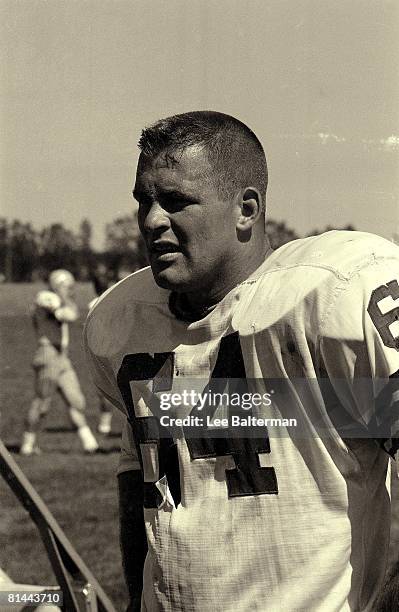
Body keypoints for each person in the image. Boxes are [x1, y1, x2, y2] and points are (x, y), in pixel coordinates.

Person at [84, 111, 399, 611]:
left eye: (176, 201)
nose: (150, 220)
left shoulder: (333, 295)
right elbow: (137, 468)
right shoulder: (123, 320)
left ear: (246, 210)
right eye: (143, 200)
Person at [21, 269, 99, 455]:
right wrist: (63, 296)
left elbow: (72, 313)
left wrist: (66, 298)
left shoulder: (57, 299)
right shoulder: (46, 297)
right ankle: (27, 444)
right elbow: (68, 315)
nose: (70, 290)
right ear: (58, 284)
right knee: (42, 403)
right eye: (67, 286)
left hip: (62, 357)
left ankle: (90, 445)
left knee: (76, 401)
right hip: (48, 354)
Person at [89, 262, 115, 435]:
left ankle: (104, 425)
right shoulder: (116, 299)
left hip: (100, 349)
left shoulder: (93, 303)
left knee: (106, 389)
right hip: (113, 348)